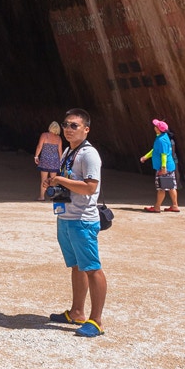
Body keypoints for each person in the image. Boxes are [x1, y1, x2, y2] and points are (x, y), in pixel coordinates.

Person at [46, 109, 107, 337]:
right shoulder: (70, 152)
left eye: (74, 125)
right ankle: (77, 312)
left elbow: (91, 186)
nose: (68, 129)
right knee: (76, 267)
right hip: (66, 217)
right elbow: (73, 181)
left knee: (92, 268)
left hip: (82, 219)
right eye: (66, 125)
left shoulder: (89, 154)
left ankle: (97, 321)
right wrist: (58, 184)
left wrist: (60, 179)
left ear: (86, 129)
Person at [139, 118, 179, 212]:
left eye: (156, 126)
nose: (154, 126)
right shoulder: (163, 137)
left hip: (164, 167)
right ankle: (175, 206)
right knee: (171, 187)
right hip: (170, 166)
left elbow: (163, 154)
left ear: (158, 129)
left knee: (161, 188)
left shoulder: (161, 140)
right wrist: (146, 156)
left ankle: (157, 207)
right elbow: (155, 150)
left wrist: (163, 168)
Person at [34, 121, 63, 200]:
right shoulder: (58, 138)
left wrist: (36, 156)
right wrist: (61, 162)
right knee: (53, 180)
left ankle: (42, 197)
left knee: (44, 179)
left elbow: (39, 146)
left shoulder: (44, 135)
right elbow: (60, 152)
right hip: (54, 161)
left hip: (45, 161)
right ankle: (53, 196)